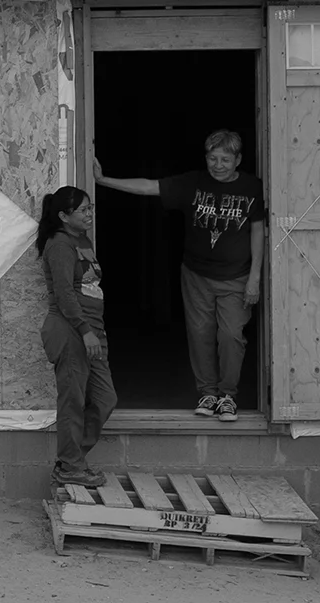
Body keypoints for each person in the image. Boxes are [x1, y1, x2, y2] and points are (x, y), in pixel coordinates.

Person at [95, 129, 267, 420]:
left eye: (225, 159)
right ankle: (208, 394)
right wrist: (102, 180)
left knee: (230, 336)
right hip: (196, 275)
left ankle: (228, 396)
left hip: (236, 277)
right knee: (200, 334)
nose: (218, 165)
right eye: (212, 158)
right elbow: (150, 187)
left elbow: (258, 232)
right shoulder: (193, 183)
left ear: (238, 160)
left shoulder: (252, 187)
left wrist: (255, 278)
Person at [37, 186, 116, 488]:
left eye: (90, 208)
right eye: (83, 210)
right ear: (63, 216)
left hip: (92, 331)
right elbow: (64, 293)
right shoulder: (59, 244)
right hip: (71, 331)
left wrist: (94, 331)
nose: (89, 214)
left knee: (105, 398)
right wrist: (85, 331)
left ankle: (70, 459)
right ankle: (70, 466)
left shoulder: (81, 240)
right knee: (72, 400)